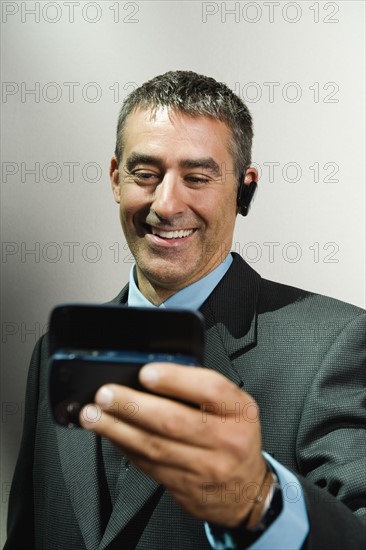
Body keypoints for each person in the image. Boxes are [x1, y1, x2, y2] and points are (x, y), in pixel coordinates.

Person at [5, 71, 366, 550]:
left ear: (244, 189)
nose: (167, 204)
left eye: (197, 178)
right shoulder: (55, 350)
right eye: (146, 174)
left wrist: (259, 501)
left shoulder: (335, 344)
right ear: (116, 178)